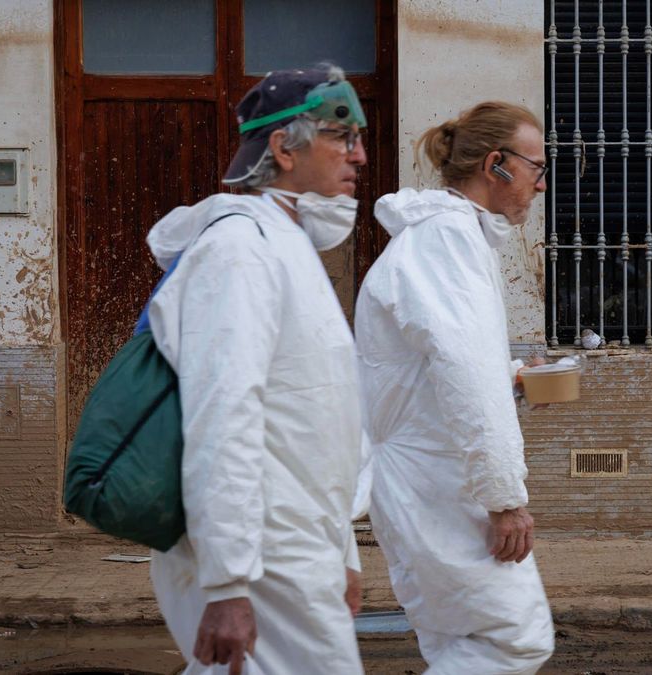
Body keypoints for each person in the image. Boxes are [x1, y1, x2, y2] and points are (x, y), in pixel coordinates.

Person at [144, 64, 368, 674]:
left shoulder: (286, 247)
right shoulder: (239, 252)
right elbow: (224, 416)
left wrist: (342, 550)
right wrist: (227, 584)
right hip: (264, 550)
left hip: (296, 544)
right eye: (343, 137)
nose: (361, 155)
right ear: (282, 149)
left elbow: (314, 423)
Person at [354, 102, 554, 674]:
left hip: (434, 477)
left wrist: (513, 379)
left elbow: (443, 367)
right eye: (536, 168)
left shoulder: (452, 237)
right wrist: (505, 498)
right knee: (512, 641)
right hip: (437, 483)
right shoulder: (446, 240)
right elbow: (463, 370)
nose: (541, 185)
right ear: (497, 164)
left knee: (458, 643)